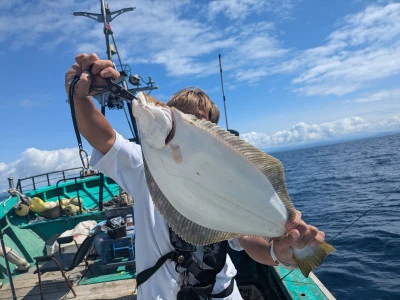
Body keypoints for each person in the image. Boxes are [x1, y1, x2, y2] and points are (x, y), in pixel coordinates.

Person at [65, 53, 326, 299]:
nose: (195, 126)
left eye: (204, 124)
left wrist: (280, 253)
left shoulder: (226, 181)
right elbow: (104, 138)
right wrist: (79, 97)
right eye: (185, 119)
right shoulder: (142, 165)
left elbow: (247, 239)